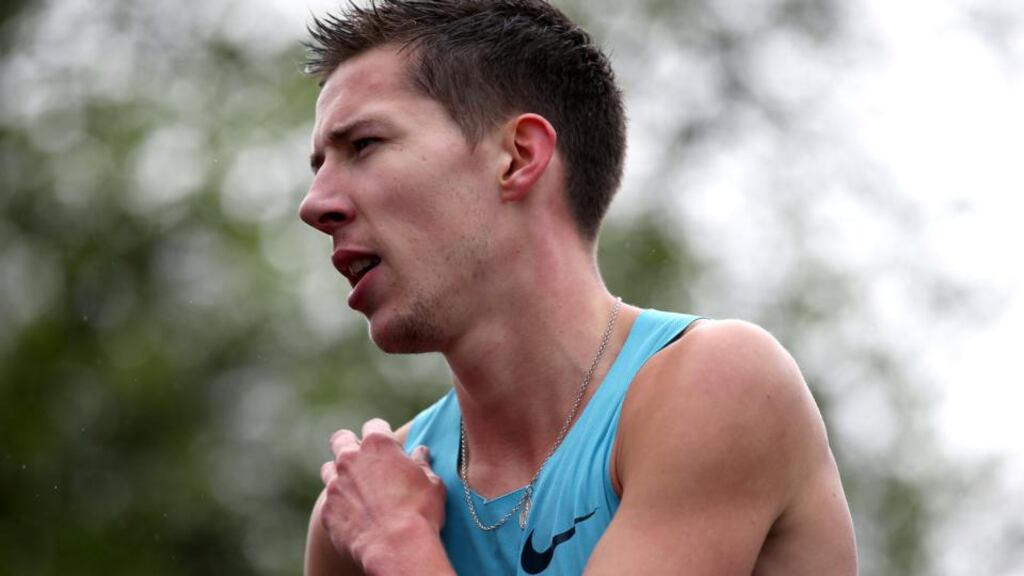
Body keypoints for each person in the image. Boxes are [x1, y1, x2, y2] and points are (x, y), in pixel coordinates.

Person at [298, 1, 857, 574]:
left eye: (363, 145)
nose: (315, 204)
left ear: (517, 157)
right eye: (318, 166)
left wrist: (400, 549)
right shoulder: (356, 512)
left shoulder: (723, 384)